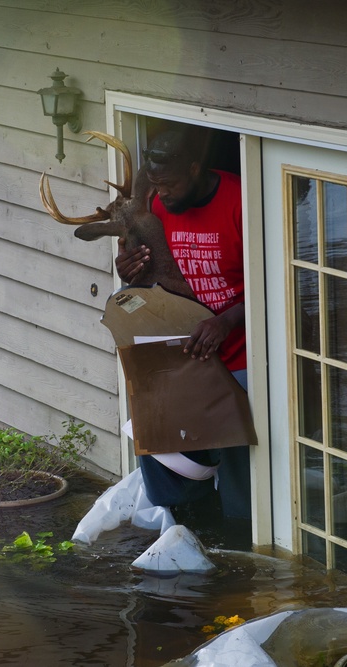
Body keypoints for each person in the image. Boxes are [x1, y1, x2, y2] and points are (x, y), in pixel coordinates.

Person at [115, 127, 251, 522]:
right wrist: (128, 272)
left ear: (195, 169)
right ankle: (186, 525)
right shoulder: (157, 204)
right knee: (155, 435)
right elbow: (151, 273)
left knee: (239, 452)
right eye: (155, 184)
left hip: (242, 352)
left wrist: (226, 321)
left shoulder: (241, 200)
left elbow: (273, 281)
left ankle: (242, 535)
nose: (163, 194)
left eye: (170, 184)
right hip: (185, 349)